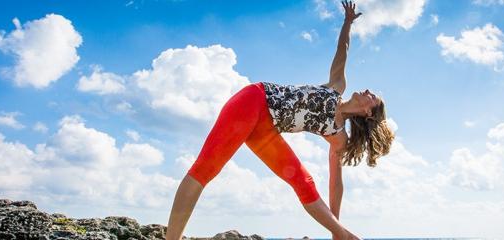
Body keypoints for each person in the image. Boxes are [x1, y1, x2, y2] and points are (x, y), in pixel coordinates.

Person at [165, 1, 394, 239]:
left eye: (373, 97)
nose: (368, 91)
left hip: (265, 130)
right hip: (254, 100)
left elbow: (335, 184)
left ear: (369, 113)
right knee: (204, 169)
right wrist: (347, 23)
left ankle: (340, 235)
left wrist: (335, 226)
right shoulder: (337, 86)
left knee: (304, 182)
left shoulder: (338, 136)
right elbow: (342, 50)